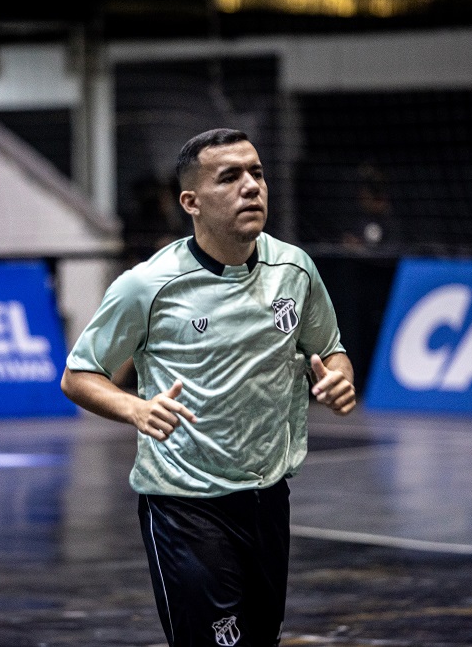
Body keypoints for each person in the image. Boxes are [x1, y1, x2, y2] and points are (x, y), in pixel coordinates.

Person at [61, 128, 356, 647]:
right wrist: (134, 409)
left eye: (257, 173)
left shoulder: (295, 269)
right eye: (230, 176)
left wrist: (339, 380)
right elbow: (79, 375)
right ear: (190, 202)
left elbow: (330, 349)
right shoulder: (147, 286)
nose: (251, 186)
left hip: (268, 499)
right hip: (185, 504)